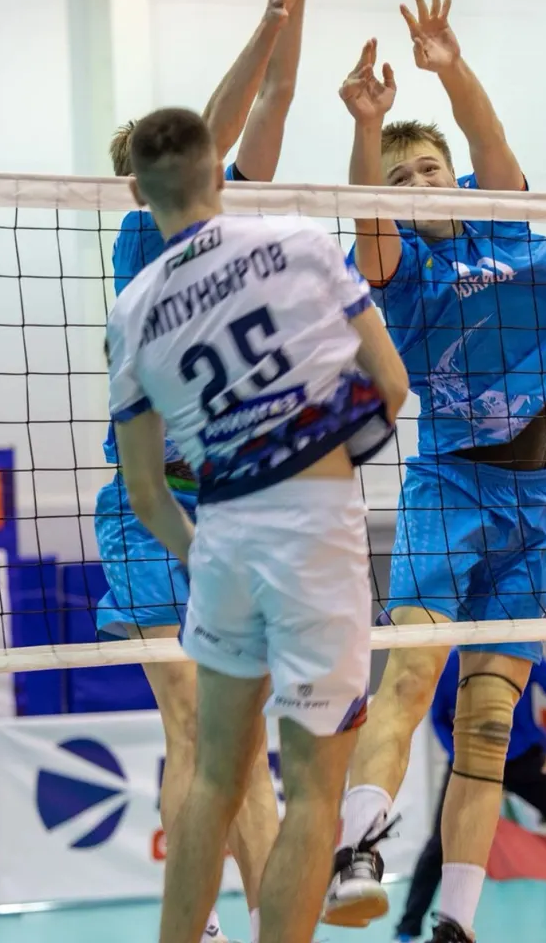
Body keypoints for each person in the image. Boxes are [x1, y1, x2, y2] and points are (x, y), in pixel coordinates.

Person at [91, 0, 349, 943]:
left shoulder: (245, 237)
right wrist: (268, 13)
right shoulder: (141, 245)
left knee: (236, 750)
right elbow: (226, 112)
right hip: (153, 513)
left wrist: (292, 2)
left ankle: (254, 920)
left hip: (245, 514)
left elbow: (271, 103)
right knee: (199, 729)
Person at [326, 0, 546, 943]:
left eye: (429, 167)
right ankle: (357, 853)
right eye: (402, 180)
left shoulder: (501, 216)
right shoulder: (395, 269)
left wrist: (450, 67)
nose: (420, 182)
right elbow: (370, 220)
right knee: (409, 679)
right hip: (450, 489)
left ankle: (456, 926)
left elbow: (488, 139)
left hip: (536, 499)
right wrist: (369, 130)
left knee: (489, 725)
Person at [106, 107, 408, 943]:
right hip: (314, 532)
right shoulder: (301, 244)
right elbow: (391, 386)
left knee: (213, 780)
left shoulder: (132, 311)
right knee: (312, 790)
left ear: (137, 194)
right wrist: (321, 444)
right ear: (219, 172)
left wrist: (200, 554)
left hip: (224, 539)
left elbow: (144, 492)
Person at [394, 653, 546, 943]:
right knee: (441, 844)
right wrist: (457, 755)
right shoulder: (450, 663)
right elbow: (438, 717)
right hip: (470, 761)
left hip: (524, 758)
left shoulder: (517, 648)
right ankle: (406, 930)